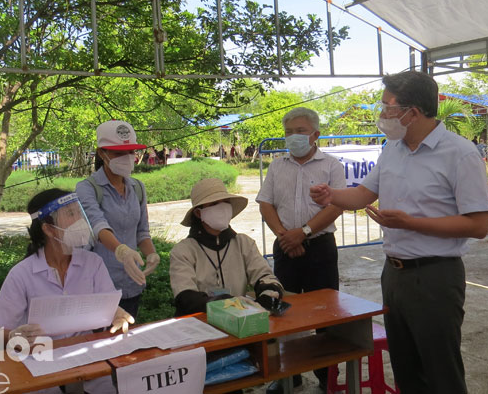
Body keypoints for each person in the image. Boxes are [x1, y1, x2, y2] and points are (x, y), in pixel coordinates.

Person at [310, 71, 488, 394]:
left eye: (387, 108)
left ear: (413, 112)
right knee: (406, 370)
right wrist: (331, 196)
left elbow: (478, 225)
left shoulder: (460, 154)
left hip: (436, 276)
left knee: (441, 371)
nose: (382, 116)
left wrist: (411, 223)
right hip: (394, 274)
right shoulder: (392, 148)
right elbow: (363, 194)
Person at [0, 189, 132, 394]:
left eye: (79, 212)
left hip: (88, 361)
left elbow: (108, 306)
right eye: (71, 214)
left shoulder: (93, 263)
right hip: (39, 368)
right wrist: (14, 336)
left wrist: (117, 314)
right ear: (49, 229)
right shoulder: (21, 274)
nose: (81, 221)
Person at [256, 107, 345, 393]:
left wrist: (303, 232)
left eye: (300, 131)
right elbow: (265, 203)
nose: (293, 137)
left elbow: (336, 205)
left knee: (326, 312)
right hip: (285, 247)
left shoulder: (331, 165)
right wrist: (285, 236)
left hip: (320, 248)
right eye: (288, 132)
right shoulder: (277, 166)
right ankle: (286, 376)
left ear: (315, 134)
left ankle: (326, 376)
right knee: (283, 312)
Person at [76, 120, 159, 319]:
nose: (126, 158)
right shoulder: (87, 188)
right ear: (102, 153)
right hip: (99, 286)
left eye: (130, 152)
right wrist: (121, 250)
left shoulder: (137, 187)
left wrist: (151, 254)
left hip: (132, 282)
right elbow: (98, 225)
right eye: (118, 153)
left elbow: (142, 231)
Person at [170, 178, 284, 317]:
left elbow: (265, 276)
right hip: (200, 324)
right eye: (214, 204)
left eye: (225, 202)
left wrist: (268, 293)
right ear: (198, 213)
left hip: (240, 321)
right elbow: (185, 297)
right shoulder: (183, 251)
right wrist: (221, 303)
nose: (222, 207)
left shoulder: (244, 243)